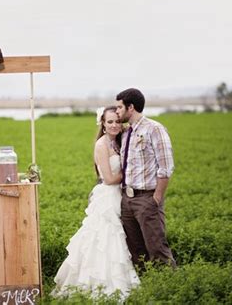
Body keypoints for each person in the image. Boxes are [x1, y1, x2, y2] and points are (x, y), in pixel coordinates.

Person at [52, 106, 140, 299]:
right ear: (103, 123)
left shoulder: (118, 140)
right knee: (106, 239)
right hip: (108, 197)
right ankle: (101, 284)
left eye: (117, 121)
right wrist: (131, 174)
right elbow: (108, 179)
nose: (115, 125)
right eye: (110, 122)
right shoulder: (101, 145)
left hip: (120, 195)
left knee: (123, 239)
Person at [115, 88, 177, 271]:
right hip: (127, 200)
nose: (117, 111)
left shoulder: (154, 129)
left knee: (157, 248)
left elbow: (166, 167)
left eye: (119, 107)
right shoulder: (127, 133)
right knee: (136, 252)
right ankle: (146, 289)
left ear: (130, 107)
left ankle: (170, 286)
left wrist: (156, 198)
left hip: (146, 198)